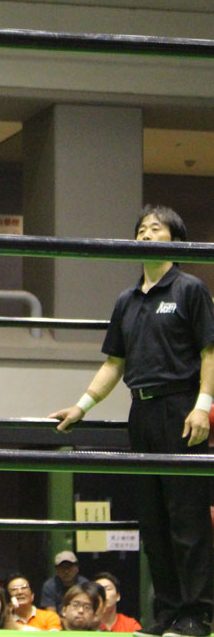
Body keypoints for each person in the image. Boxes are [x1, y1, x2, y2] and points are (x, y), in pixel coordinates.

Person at [48, 205, 214, 637]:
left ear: (176, 242)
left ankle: (197, 615)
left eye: (156, 228)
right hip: (140, 413)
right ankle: (168, 615)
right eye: (141, 229)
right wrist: (81, 406)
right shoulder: (126, 300)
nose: (146, 234)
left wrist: (203, 405)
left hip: (182, 409)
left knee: (187, 519)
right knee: (153, 522)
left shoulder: (191, 289)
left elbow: (210, 352)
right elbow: (114, 363)